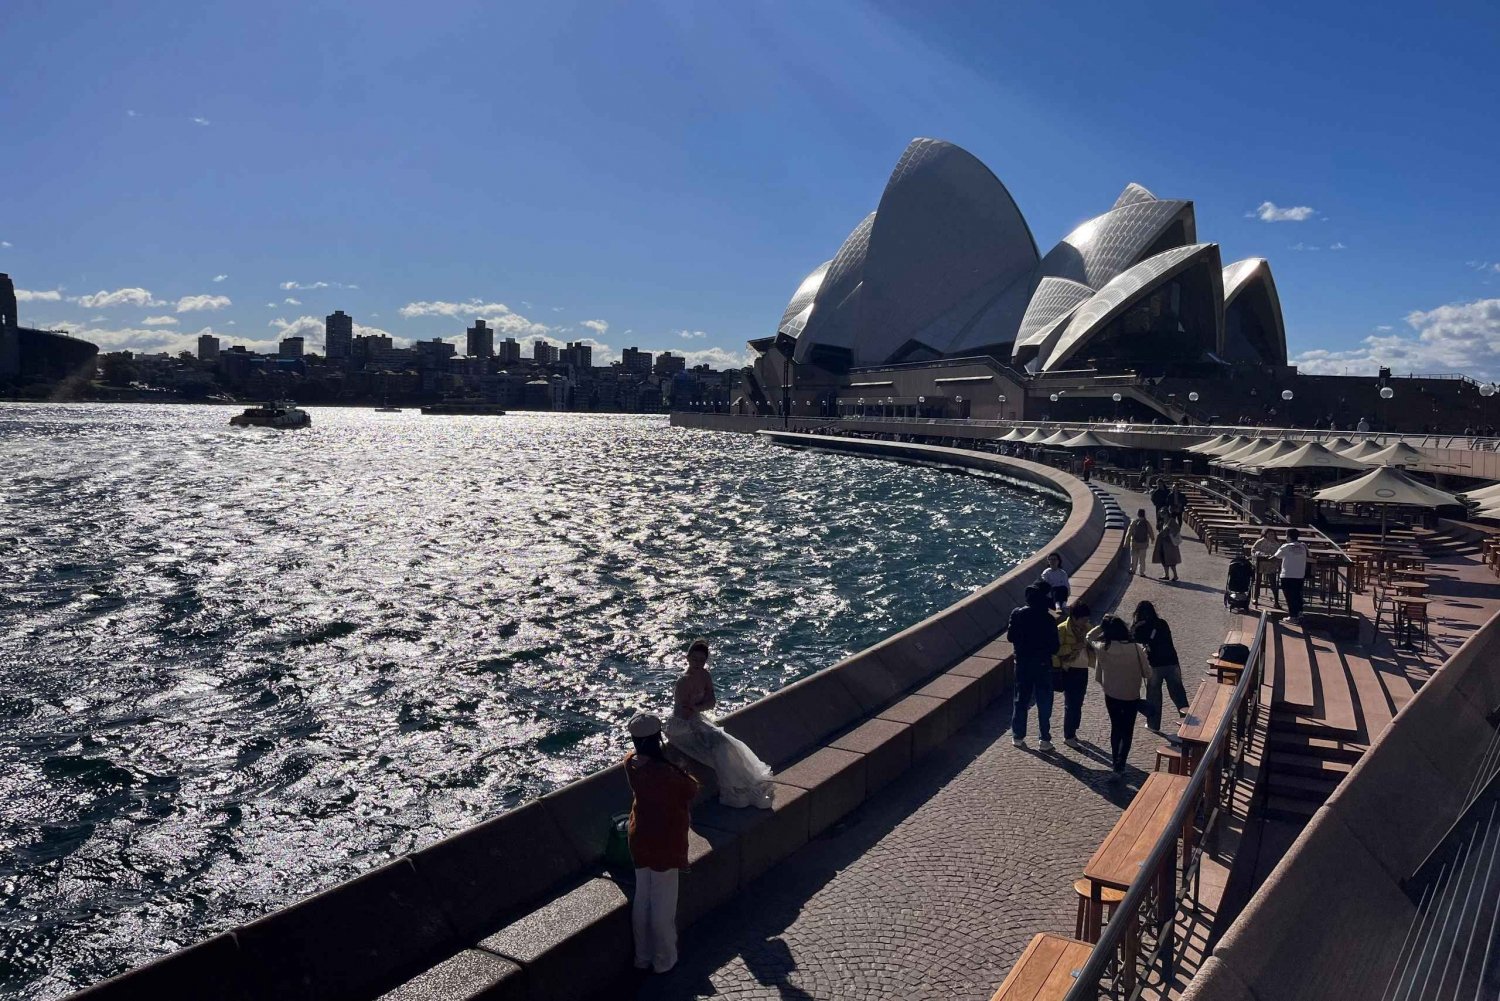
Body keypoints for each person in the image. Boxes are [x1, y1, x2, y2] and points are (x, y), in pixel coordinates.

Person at [625, 713, 698, 974]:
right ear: (657, 738)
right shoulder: (667, 773)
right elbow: (691, 790)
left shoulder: (630, 763)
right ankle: (664, 960)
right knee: (663, 906)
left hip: (639, 837)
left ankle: (642, 957)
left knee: (642, 896)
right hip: (665, 841)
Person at [664, 638, 774, 809]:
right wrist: (698, 712)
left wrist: (697, 709)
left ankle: (741, 787)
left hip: (696, 719)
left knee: (726, 742)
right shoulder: (683, 682)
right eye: (694, 659)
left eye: (701, 660)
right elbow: (685, 711)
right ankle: (732, 791)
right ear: (687, 658)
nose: (697, 663)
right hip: (680, 727)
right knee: (717, 745)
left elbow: (711, 702)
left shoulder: (705, 675)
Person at [1089, 615, 1151, 775]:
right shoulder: (1136, 648)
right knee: (1127, 729)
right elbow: (1147, 673)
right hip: (1131, 694)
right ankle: (1121, 762)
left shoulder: (1102, 647)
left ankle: (1115, 761)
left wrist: (1102, 625)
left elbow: (1088, 637)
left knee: (1116, 727)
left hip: (1111, 693)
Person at [1007, 583, 1061, 751]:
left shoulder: (1017, 614)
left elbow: (1010, 637)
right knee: (1044, 702)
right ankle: (1044, 739)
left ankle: (1018, 736)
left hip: (1023, 663)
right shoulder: (1049, 620)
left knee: (1020, 699)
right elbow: (1055, 647)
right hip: (1043, 664)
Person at [1131, 601, 1188, 731]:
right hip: (1172, 662)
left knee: (1154, 696)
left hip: (1154, 665)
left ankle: (1154, 725)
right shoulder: (1162, 623)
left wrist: (1136, 625)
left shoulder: (1141, 627)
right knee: (1179, 694)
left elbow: (1132, 637)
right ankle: (1187, 722)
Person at [1053, 600, 1093, 749]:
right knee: (1071, 704)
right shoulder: (1062, 629)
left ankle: (1073, 732)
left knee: (1078, 703)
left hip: (1083, 668)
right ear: (1075, 618)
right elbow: (1056, 651)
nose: (1086, 622)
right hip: (1069, 670)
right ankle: (1068, 735)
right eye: (1084, 619)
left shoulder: (1088, 628)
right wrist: (1073, 646)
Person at [1275, 527, 1310, 623]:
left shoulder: (1286, 546)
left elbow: (1277, 555)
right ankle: (1299, 613)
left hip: (1287, 574)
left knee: (1290, 596)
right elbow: (1309, 555)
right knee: (1297, 595)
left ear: (1288, 537)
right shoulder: (1303, 546)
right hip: (1299, 574)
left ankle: (1292, 616)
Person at [1250, 528, 1281, 608]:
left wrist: (1274, 557)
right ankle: (1255, 597)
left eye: (1273, 534)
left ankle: (1276, 601)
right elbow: (1253, 550)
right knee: (1258, 581)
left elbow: (1279, 553)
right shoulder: (1261, 541)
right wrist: (1260, 554)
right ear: (1265, 534)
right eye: (1269, 534)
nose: (1271, 536)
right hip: (1261, 564)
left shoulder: (1277, 544)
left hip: (1271, 565)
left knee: (1273, 583)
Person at [1152, 517, 1182, 581]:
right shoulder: (1163, 522)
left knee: (1171, 562)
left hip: (1170, 545)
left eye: (1164, 514)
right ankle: (1166, 575)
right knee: (1164, 560)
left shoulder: (1171, 521)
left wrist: (1169, 530)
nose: (1162, 515)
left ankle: (1175, 576)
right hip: (1163, 544)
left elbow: (1177, 529)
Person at [1127, 509, 1155, 576]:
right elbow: (1150, 531)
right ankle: (1141, 572)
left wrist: (1126, 542)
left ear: (1138, 514)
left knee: (1133, 557)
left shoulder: (1134, 522)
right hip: (1143, 544)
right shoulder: (1146, 522)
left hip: (1134, 543)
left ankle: (1132, 570)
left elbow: (1129, 532)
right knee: (1142, 559)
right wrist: (1152, 539)